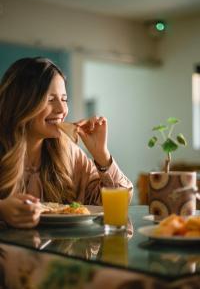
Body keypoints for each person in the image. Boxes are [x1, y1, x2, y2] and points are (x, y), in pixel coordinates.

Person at [0, 57, 133, 228]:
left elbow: (117, 204)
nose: (62, 110)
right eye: (50, 99)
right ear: (22, 102)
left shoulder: (68, 151)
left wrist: (101, 155)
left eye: (64, 99)